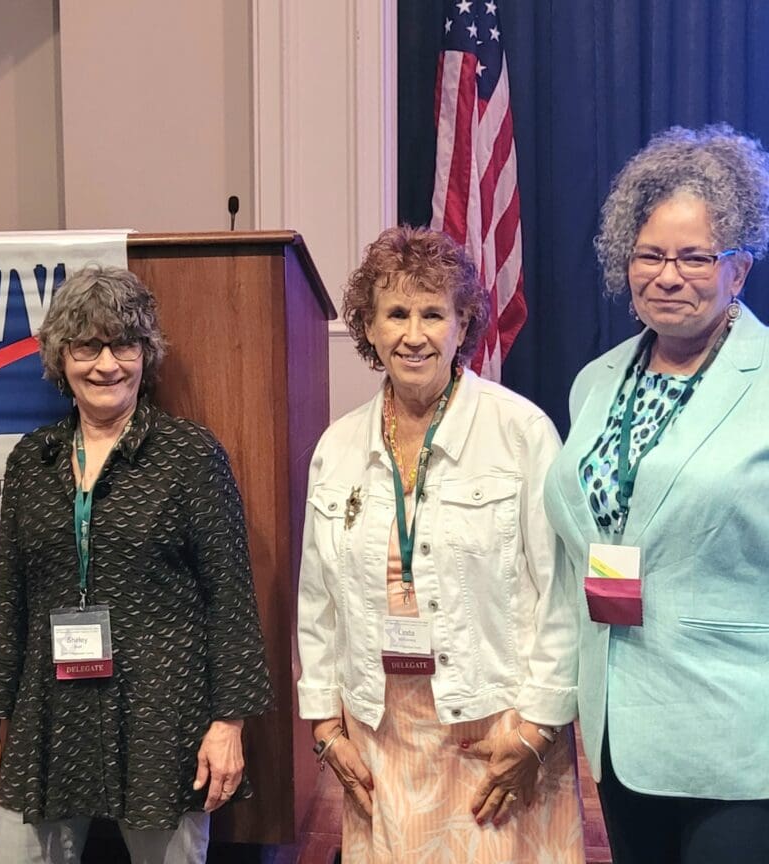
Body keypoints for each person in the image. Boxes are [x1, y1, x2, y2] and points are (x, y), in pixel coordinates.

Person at [0, 265, 272, 864]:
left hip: (164, 712)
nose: (107, 364)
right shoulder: (33, 460)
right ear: (60, 358)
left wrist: (229, 724)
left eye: (123, 345)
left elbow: (230, 598)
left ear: (145, 353)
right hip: (47, 713)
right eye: (87, 346)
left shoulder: (189, 454)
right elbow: (9, 602)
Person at [296, 226, 582, 862]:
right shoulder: (336, 448)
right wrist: (323, 725)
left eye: (433, 313)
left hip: (498, 731)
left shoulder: (521, 432)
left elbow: (560, 588)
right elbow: (318, 601)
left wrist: (538, 729)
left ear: (463, 325)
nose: (414, 334)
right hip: (379, 733)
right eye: (395, 314)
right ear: (367, 328)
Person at [545, 124, 769, 863]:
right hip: (619, 723)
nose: (667, 275)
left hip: (739, 731)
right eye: (649, 254)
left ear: (738, 269)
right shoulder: (595, 381)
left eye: (695, 257)